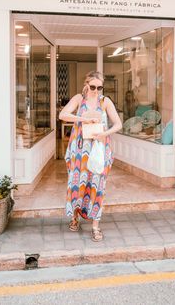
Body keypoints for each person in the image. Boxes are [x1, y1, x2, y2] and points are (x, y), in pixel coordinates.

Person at [59, 71, 122, 242]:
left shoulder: (105, 101)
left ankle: (95, 225)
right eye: (93, 86)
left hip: (100, 149)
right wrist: (82, 119)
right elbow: (62, 115)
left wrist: (105, 134)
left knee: (97, 185)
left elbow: (118, 124)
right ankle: (75, 217)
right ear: (86, 84)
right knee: (76, 183)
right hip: (79, 150)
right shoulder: (79, 99)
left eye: (99, 87)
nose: (96, 90)